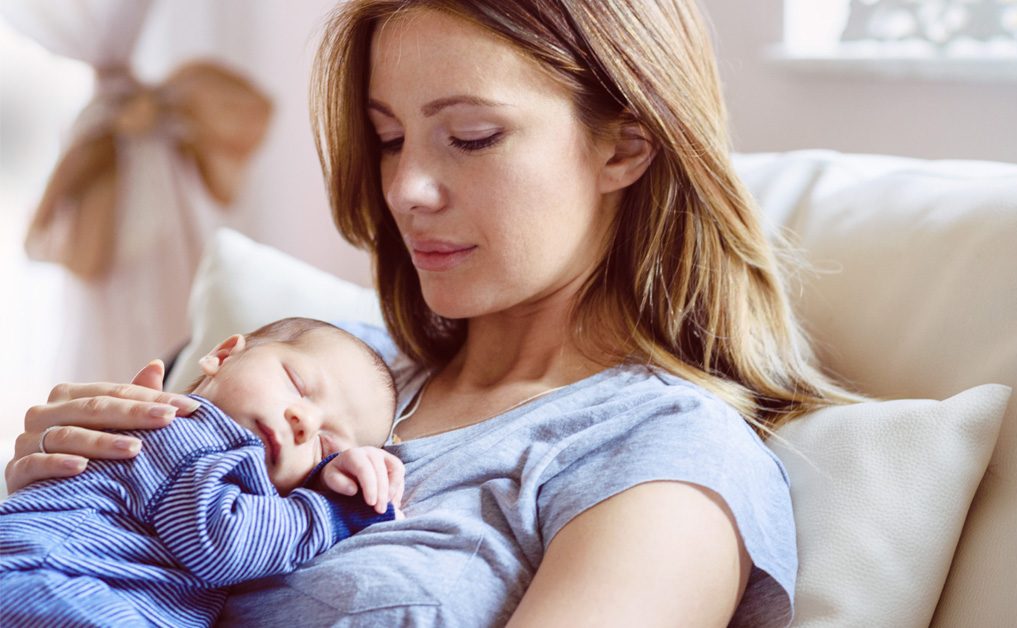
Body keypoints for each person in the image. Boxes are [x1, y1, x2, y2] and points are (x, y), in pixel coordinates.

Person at [6, 1, 864, 625]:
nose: (407, 190)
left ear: (623, 146)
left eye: (473, 136)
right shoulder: (330, 369)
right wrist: (57, 501)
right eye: (388, 139)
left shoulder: (659, 452)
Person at [0, 317, 405, 627]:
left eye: (325, 445)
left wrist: (320, 475)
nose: (304, 421)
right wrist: (333, 510)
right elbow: (218, 542)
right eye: (297, 385)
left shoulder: (226, 473)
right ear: (225, 355)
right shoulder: (185, 432)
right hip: (51, 583)